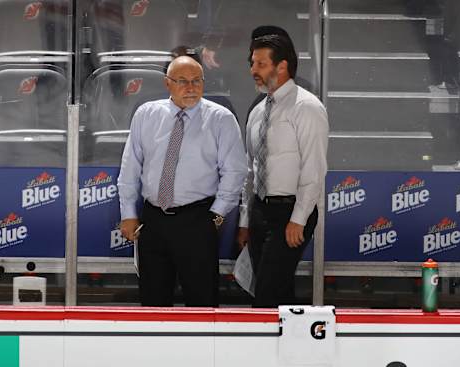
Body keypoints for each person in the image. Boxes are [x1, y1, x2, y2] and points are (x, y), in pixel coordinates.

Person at [118, 56, 247, 307]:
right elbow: (130, 166)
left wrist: (216, 217)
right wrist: (128, 213)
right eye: (182, 81)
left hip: (198, 219)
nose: (191, 87)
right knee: (153, 303)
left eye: (197, 81)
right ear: (168, 84)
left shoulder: (221, 119)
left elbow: (235, 171)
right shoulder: (146, 114)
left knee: (202, 302)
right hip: (153, 220)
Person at [237, 34, 329, 308]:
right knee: (276, 292)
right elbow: (251, 169)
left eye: (261, 63)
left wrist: (298, 218)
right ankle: (294, 349)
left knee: (267, 294)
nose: (253, 70)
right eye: (253, 63)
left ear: (282, 66)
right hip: (260, 210)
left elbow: (314, 168)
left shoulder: (308, 107)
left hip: (291, 211)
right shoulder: (257, 111)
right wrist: (245, 221)